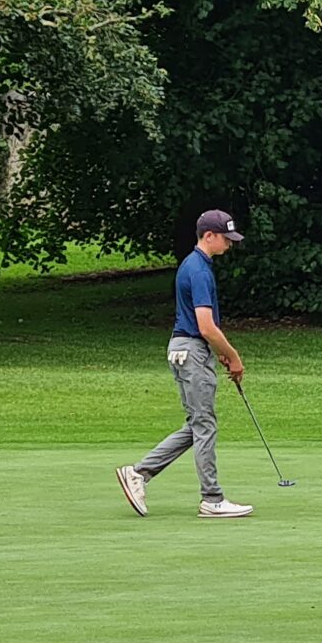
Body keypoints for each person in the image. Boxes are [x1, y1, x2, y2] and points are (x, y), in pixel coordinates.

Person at [116, 210, 256, 519]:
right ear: (209, 236)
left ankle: (139, 474)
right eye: (226, 239)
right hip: (191, 349)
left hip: (185, 348)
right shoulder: (200, 270)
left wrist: (217, 349)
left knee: (196, 425)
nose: (230, 245)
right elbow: (205, 326)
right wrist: (233, 355)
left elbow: (203, 328)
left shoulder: (193, 265)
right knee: (205, 425)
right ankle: (212, 498)